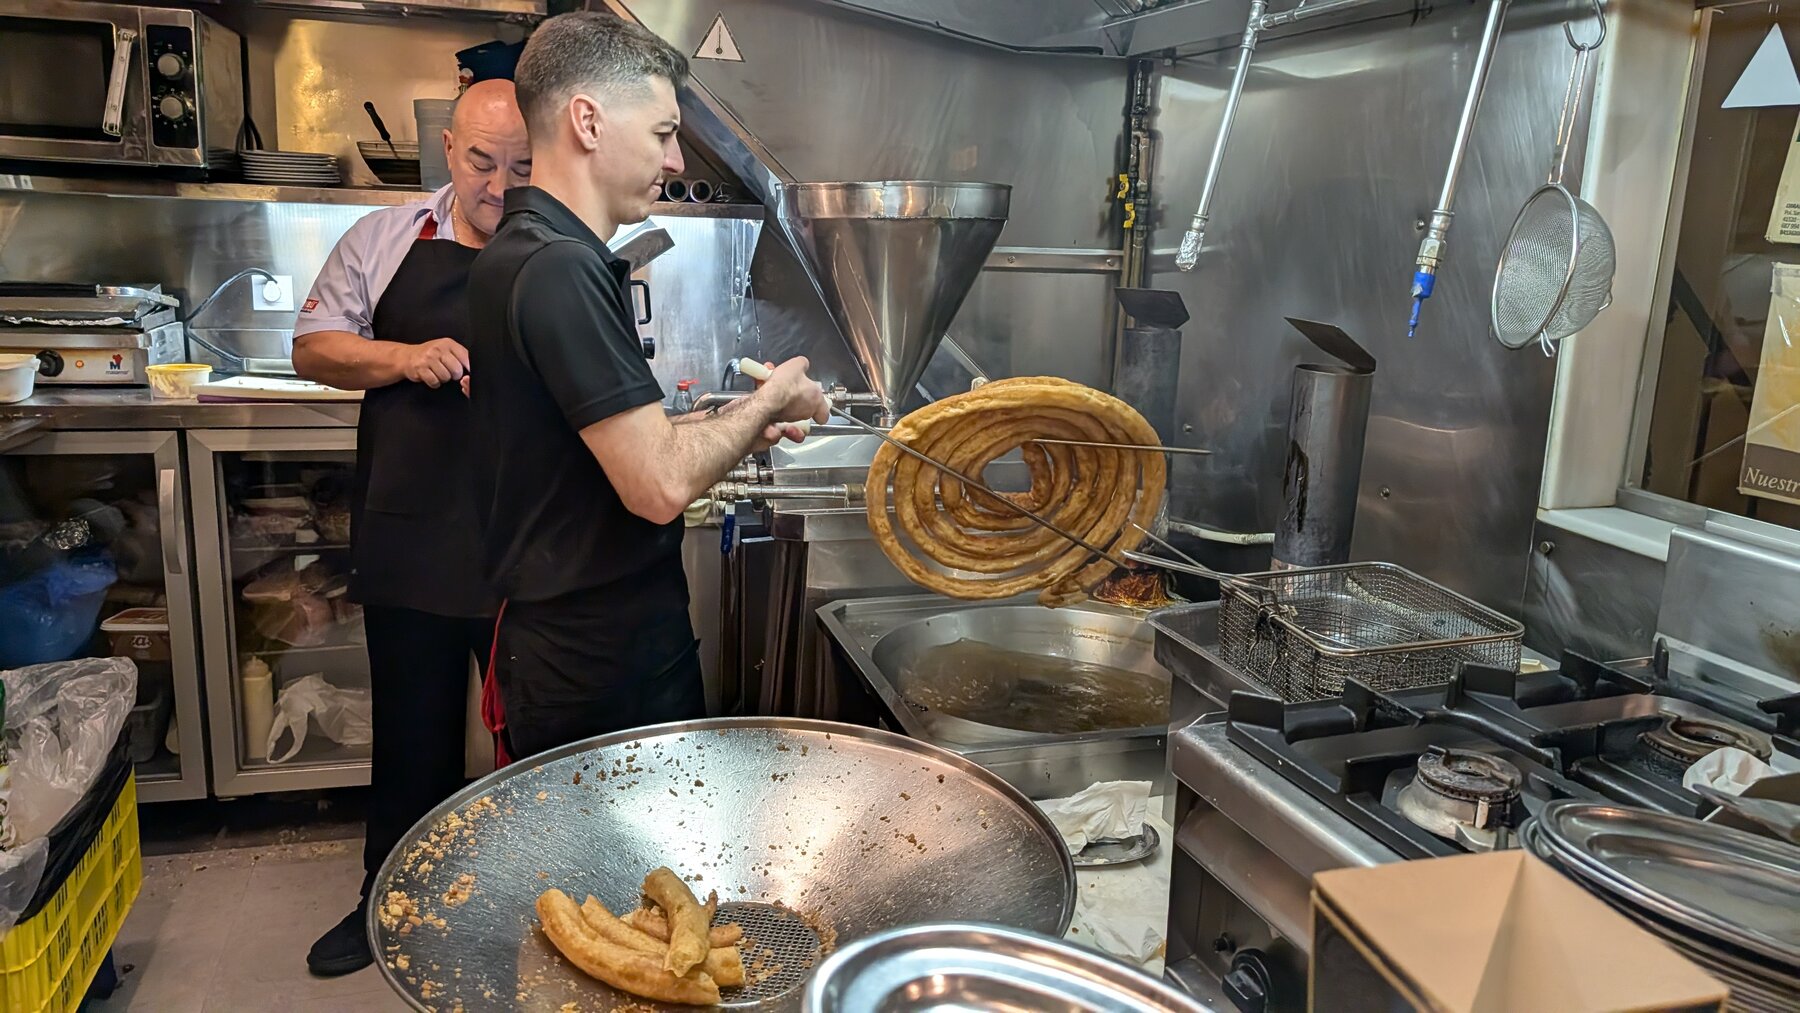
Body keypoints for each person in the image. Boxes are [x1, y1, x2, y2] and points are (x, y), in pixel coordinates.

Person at [466, 11, 828, 760]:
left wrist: (735, 423)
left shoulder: (524, 252)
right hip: (598, 663)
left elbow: (611, 446)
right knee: (629, 876)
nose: (672, 159)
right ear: (589, 121)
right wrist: (772, 398)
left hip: (573, 646)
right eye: (663, 132)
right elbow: (657, 483)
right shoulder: (559, 269)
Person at [289, 79, 532, 977]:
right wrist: (404, 356)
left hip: (519, 545)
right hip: (412, 537)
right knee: (412, 737)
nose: (499, 185)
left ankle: (530, 906)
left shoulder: (553, 252)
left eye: (520, 166)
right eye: (481, 161)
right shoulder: (388, 240)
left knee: (532, 741)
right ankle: (384, 900)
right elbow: (312, 343)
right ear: (447, 149)